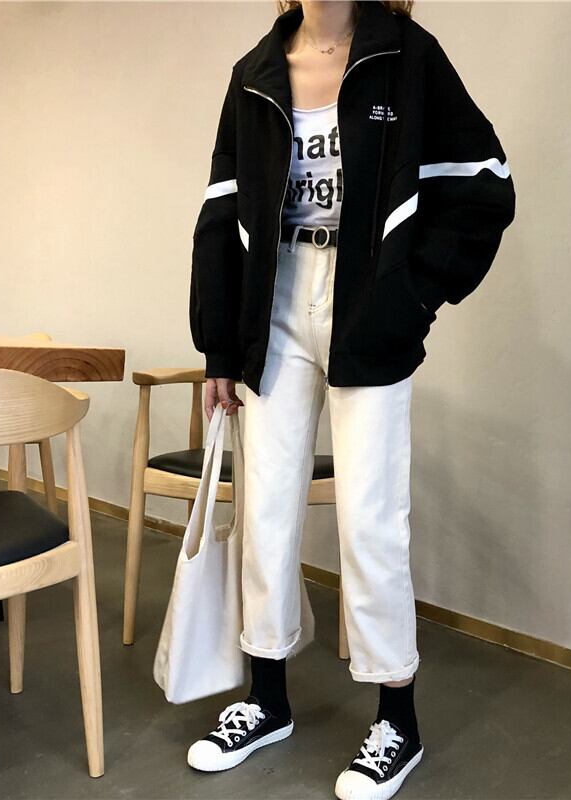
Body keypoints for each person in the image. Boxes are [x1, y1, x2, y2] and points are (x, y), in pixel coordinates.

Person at [186, 2, 515, 798]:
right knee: (265, 508)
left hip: (367, 304)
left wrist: (413, 295)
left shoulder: (407, 56)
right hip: (275, 301)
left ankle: (397, 719)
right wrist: (219, 345)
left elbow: (484, 186)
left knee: (370, 517)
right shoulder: (256, 74)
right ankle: (267, 699)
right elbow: (222, 211)